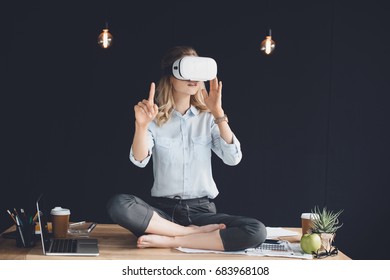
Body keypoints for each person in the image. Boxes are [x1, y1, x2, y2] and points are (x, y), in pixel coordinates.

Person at [107, 46, 267, 251]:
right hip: (161, 215)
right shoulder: (153, 119)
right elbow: (139, 160)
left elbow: (233, 158)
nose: (193, 78)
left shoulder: (209, 118)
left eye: (197, 72)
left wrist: (218, 113)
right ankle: (188, 234)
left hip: (202, 212)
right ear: (171, 77)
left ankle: (173, 240)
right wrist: (141, 126)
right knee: (119, 204)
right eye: (186, 71)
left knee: (256, 230)